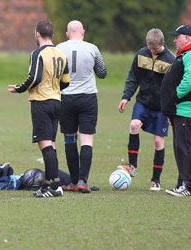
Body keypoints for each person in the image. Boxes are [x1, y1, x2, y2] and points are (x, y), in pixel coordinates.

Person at [7, 19, 70, 198]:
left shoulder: (38, 53)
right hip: (57, 101)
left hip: (42, 103)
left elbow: (33, 77)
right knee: (51, 144)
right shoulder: (61, 53)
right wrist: (54, 90)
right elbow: (66, 81)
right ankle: (48, 185)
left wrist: (18, 89)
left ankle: (55, 186)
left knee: (45, 145)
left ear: (37, 34)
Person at [117, 28, 176, 191]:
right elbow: (133, 77)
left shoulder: (171, 60)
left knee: (158, 141)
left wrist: (171, 112)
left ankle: (156, 180)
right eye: (150, 48)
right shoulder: (141, 54)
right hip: (143, 102)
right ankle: (132, 166)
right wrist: (126, 97)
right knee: (134, 125)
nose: (152, 51)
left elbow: (173, 88)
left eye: (155, 49)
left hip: (161, 108)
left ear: (162, 44)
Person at [56, 20, 107, 193]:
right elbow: (102, 73)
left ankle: (72, 181)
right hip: (88, 98)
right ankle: (83, 181)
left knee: (69, 139)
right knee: (86, 140)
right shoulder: (92, 48)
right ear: (83, 32)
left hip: (66, 98)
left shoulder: (59, 48)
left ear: (67, 33)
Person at [161, 25, 191, 197]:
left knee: (185, 148)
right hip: (179, 110)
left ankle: (190, 186)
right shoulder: (187, 53)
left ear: (187, 38)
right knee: (181, 148)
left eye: (177, 36)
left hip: (187, 109)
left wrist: (174, 95)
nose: (174, 40)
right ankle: (182, 183)